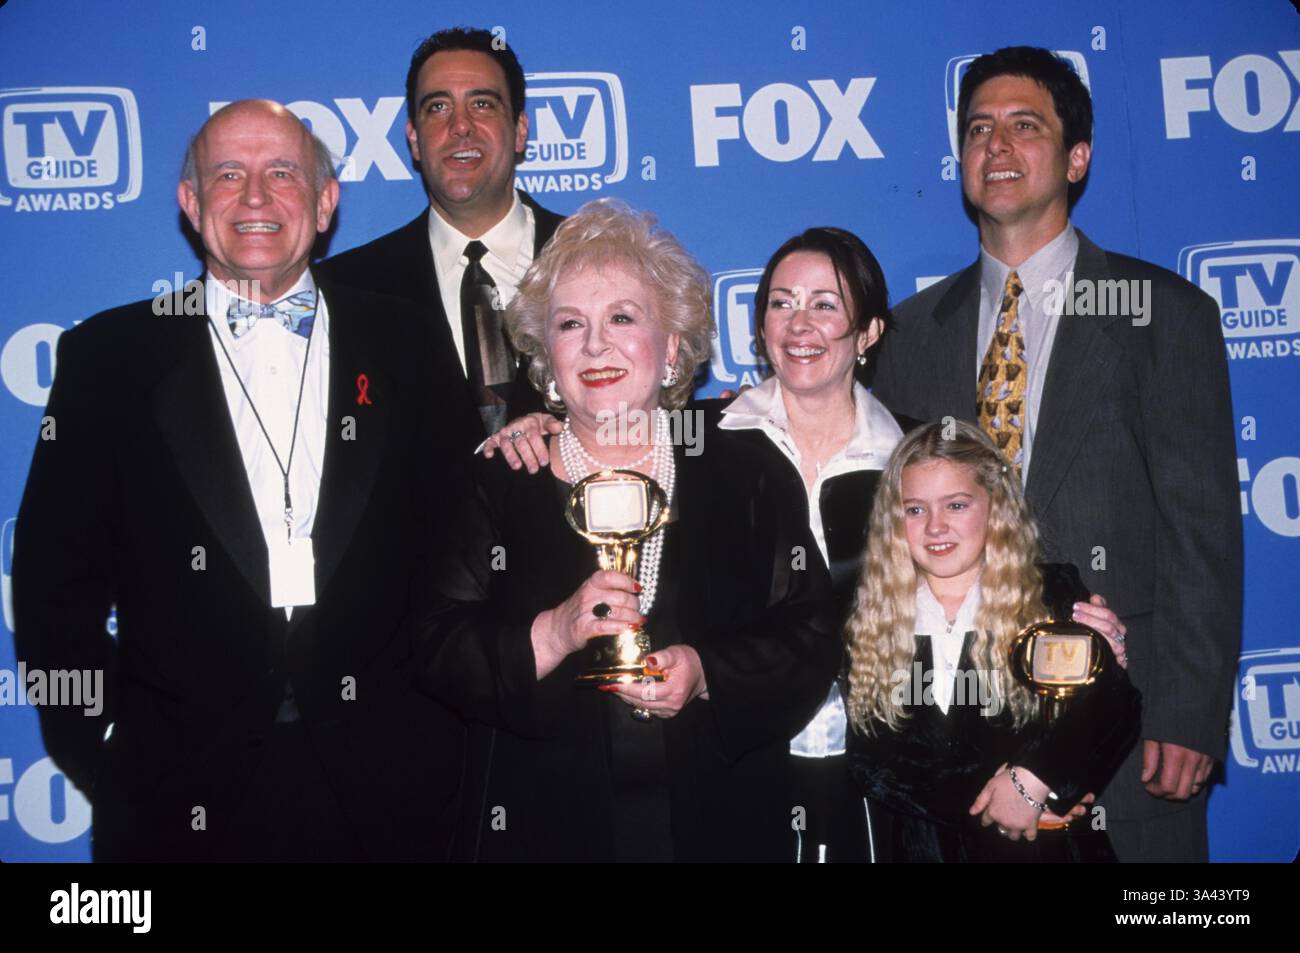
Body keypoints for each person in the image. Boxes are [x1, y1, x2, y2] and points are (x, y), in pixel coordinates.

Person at [12, 100, 471, 861]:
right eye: (228, 174)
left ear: (325, 204)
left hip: (397, 796)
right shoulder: (108, 357)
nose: (255, 197)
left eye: (281, 173)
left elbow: (461, 540)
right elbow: (53, 585)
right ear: (191, 204)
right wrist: (109, 752)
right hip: (177, 800)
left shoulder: (408, 339)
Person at [871, 46, 1241, 862]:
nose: (996, 146)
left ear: (1077, 158)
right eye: (978, 130)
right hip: (960, 750)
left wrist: (1187, 713)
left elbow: (1202, 535)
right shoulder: (904, 339)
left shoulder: (1162, 316)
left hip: (1127, 731)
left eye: (1024, 126)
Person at [414, 198, 839, 862]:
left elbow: (810, 631)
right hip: (538, 829)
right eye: (569, 324)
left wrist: (706, 674)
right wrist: (551, 632)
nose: (594, 344)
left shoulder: (746, 470)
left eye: (622, 317)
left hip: (721, 824)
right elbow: (434, 644)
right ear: (545, 360)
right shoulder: (500, 479)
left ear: (671, 346)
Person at [846, 421, 1139, 862]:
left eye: (957, 505)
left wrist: (1041, 779)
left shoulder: (1050, 595)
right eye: (915, 510)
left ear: (995, 506)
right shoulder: (873, 615)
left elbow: (1113, 706)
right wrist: (1016, 799)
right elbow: (875, 760)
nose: (935, 527)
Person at [317, 26, 564, 441]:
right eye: (437, 108)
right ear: (413, 139)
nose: (460, 126)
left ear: (521, 130)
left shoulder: (599, 260)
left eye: (482, 104)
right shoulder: (343, 291)